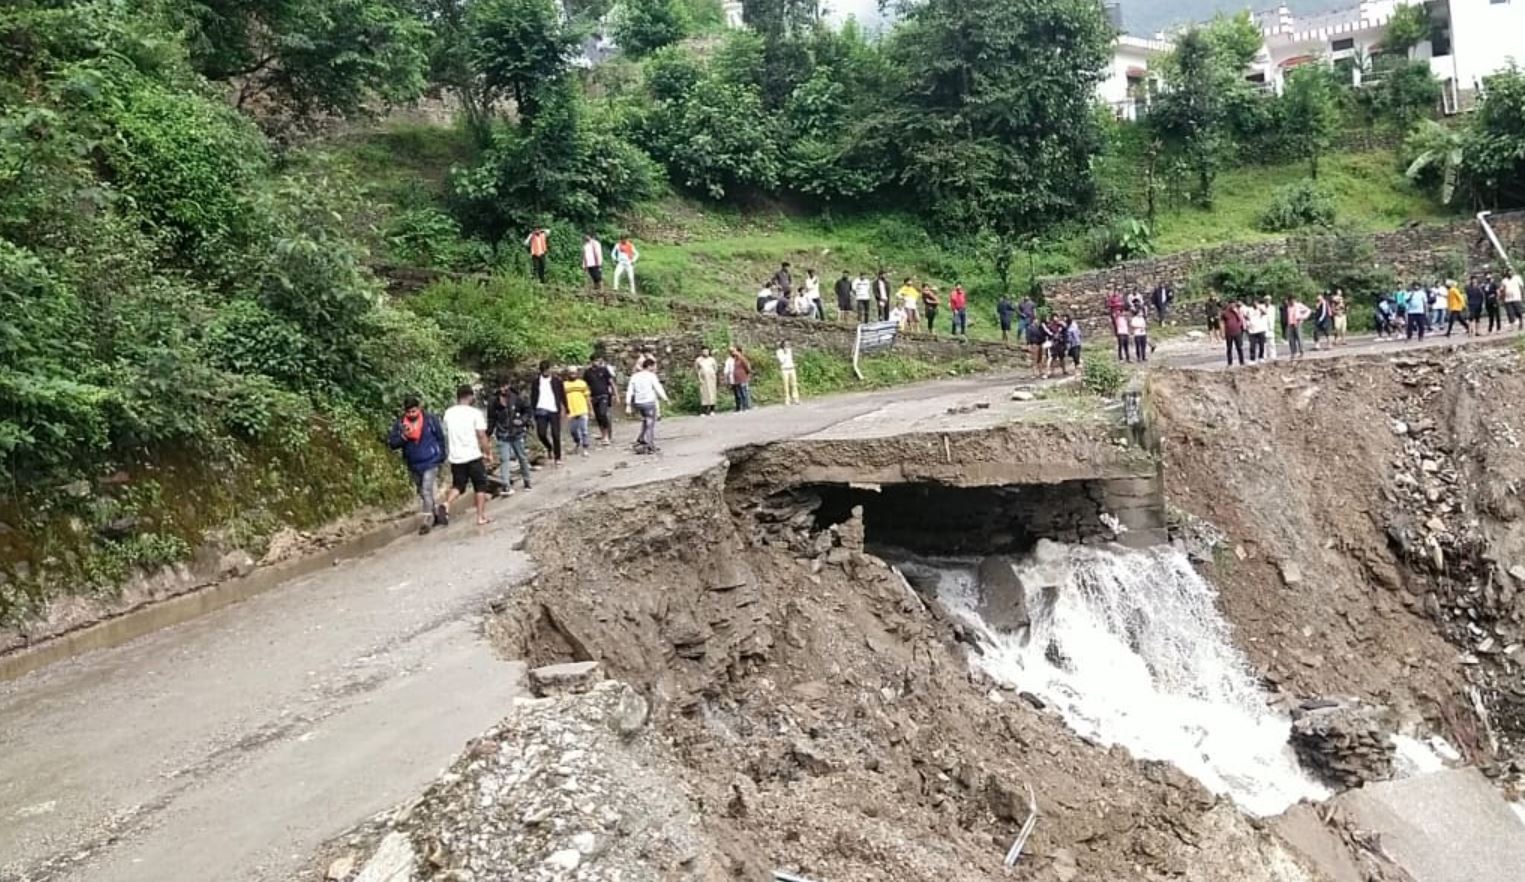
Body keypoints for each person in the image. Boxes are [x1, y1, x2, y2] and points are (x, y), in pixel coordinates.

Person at [387, 396, 449, 534]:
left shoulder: (430, 420)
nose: (411, 415)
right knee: (422, 491)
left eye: (414, 411)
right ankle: (437, 512)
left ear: (419, 409)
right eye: (409, 412)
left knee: (427, 489)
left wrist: (441, 455)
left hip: (431, 460)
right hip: (413, 463)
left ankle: (427, 521)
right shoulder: (400, 425)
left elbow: (440, 437)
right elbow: (392, 443)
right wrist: (403, 437)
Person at [442, 384, 494, 527]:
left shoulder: (448, 413)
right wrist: (488, 453)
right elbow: (481, 435)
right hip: (472, 455)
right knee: (481, 485)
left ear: (458, 397)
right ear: (470, 396)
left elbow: (446, 433)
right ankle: (480, 517)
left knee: (458, 485)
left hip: (456, 457)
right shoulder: (475, 413)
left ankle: (446, 504)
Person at [487, 384, 533, 492]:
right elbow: (491, 419)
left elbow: (528, 410)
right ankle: (506, 485)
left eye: (505, 385)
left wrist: (522, 420)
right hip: (502, 435)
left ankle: (527, 481)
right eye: (501, 385)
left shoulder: (516, 397)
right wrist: (488, 434)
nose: (503, 388)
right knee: (504, 459)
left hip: (517, 433)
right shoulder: (494, 401)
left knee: (522, 457)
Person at [625, 358, 669, 454]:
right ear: (649, 366)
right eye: (653, 366)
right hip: (649, 402)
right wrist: (665, 398)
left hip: (639, 403)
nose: (654, 368)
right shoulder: (651, 376)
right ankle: (650, 445)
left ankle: (641, 439)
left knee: (645, 420)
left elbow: (630, 390)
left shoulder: (635, 376)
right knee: (650, 424)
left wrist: (628, 404)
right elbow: (658, 388)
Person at [529, 360, 566, 466]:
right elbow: (533, 397)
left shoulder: (557, 381)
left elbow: (562, 395)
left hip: (554, 410)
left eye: (547, 370)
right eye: (544, 370)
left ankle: (557, 457)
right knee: (541, 433)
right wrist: (532, 410)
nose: (546, 372)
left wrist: (565, 408)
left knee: (556, 434)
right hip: (540, 410)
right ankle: (549, 447)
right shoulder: (536, 382)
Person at [563, 369, 592, 457]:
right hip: (571, 411)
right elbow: (561, 399)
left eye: (574, 373)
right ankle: (577, 442)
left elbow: (587, 397)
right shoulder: (564, 385)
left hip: (582, 409)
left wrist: (591, 409)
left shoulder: (582, 383)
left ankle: (585, 448)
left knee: (584, 431)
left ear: (577, 373)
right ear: (567, 374)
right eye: (571, 372)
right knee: (573, 430)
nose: (573, 374)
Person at [694, 347, 719, 415]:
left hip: (711, 379)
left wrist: (712, 374)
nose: (705, 353)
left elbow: (716, 368)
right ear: (702, 352)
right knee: (704, 394)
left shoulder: (712, 359)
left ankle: (712, 410)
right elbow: (696, 369)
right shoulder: (698, 360)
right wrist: (699, 377)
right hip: (703, 380)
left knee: (712, 394)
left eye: (707, 351)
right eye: (704, 351)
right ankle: (703, 411)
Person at [1221, 300, 1246, 367]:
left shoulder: (1237, 311)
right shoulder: (1224, 313)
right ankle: (1230, 363)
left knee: (1239, 347)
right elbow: (1222, 323)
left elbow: (1241, 320)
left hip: (1237, 332)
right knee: (1229, 348)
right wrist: (1223, 333)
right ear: (1229, 305)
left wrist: (1238, 327)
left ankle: (1242, 362)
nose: (1232, 306)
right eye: (1231, 304)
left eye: (1233, 304)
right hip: (1228, 333)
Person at [727, 346, 753, 411]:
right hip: (737, 379)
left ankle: (747, 406)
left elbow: (747, 367)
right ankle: (742, 406)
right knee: (739, 393)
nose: (733, 353)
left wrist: (748, 374)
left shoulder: (742, 358)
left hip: (743, 378)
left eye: (734, 351)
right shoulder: (734, 360)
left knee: (744, 392)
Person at [1245, 297, 1269, 362]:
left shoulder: (1261, 308)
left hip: (1261, 329)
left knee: (1262, 345)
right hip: (1252, 330)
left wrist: (1259, 308)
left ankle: (1261, 357)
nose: (1254, 303)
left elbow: (1265, 313)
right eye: (1253, 302)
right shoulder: (1249, 309)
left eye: (1256, 302)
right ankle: (1252, 359)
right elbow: (1246, 317)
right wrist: (1247, 326)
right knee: (1252, 346)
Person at [1285, 295, 1308, 359]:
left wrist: (1302, 317)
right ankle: (1293, 353)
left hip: (1297, 323)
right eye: (1290, 300)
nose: (1292, 301)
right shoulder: (1288, 307)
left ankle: (1302, 351)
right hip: (1290, 323)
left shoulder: (1298, 305)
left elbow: (1308, 310)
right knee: (1291, 339)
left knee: (1299, 338)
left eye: (1293, 300)